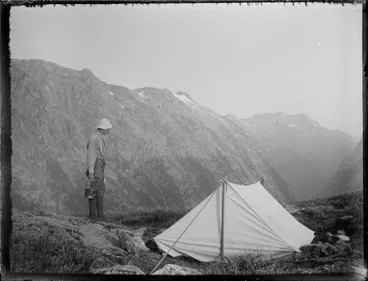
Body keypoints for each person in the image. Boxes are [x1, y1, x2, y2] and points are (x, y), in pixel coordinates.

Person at [85, 118, 113, 220]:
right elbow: (91, 156)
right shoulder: (94, 139)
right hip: (96, 168)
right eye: (108, 128)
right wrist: (91, 171)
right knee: (93, 190)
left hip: (99, 168)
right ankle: (93, 215)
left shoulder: (99, 138)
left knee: (100, 190)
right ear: (103, 128)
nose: (109, 130)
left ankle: (100, 215)